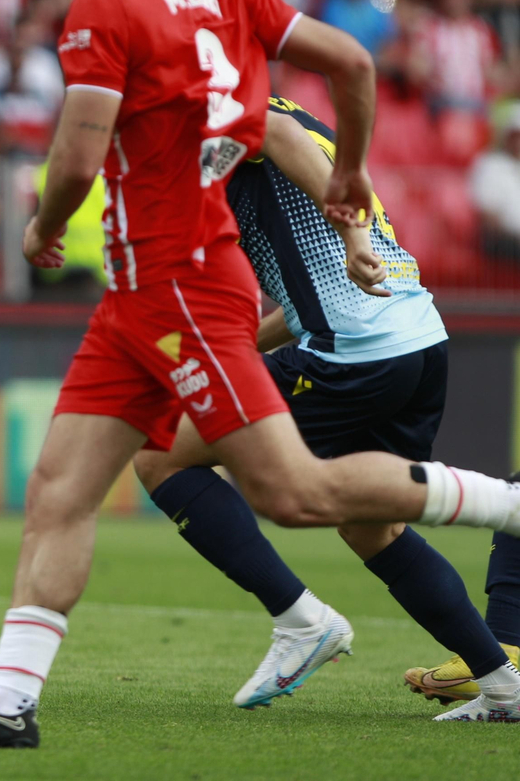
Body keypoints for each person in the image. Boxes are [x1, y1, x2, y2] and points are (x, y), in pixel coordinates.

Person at [0, 0, 520, 750]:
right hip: (144, 296)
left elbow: (78, 151)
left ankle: (499, 513)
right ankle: (6, 705)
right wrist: (351, 189)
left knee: (295, 494)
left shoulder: (104, 2)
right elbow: (352, 63)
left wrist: (43, 222)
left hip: (182, 281)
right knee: (64, 487)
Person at [135, 96, 518, 712]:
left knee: (160, 451)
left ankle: (302, 621)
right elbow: (302, 300)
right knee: (372, 526)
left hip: (353, 353)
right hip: (415, 336)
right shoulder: (297, 115)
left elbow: (277, 135)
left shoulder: (233, 113)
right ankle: (504, 687)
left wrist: (354, 236)